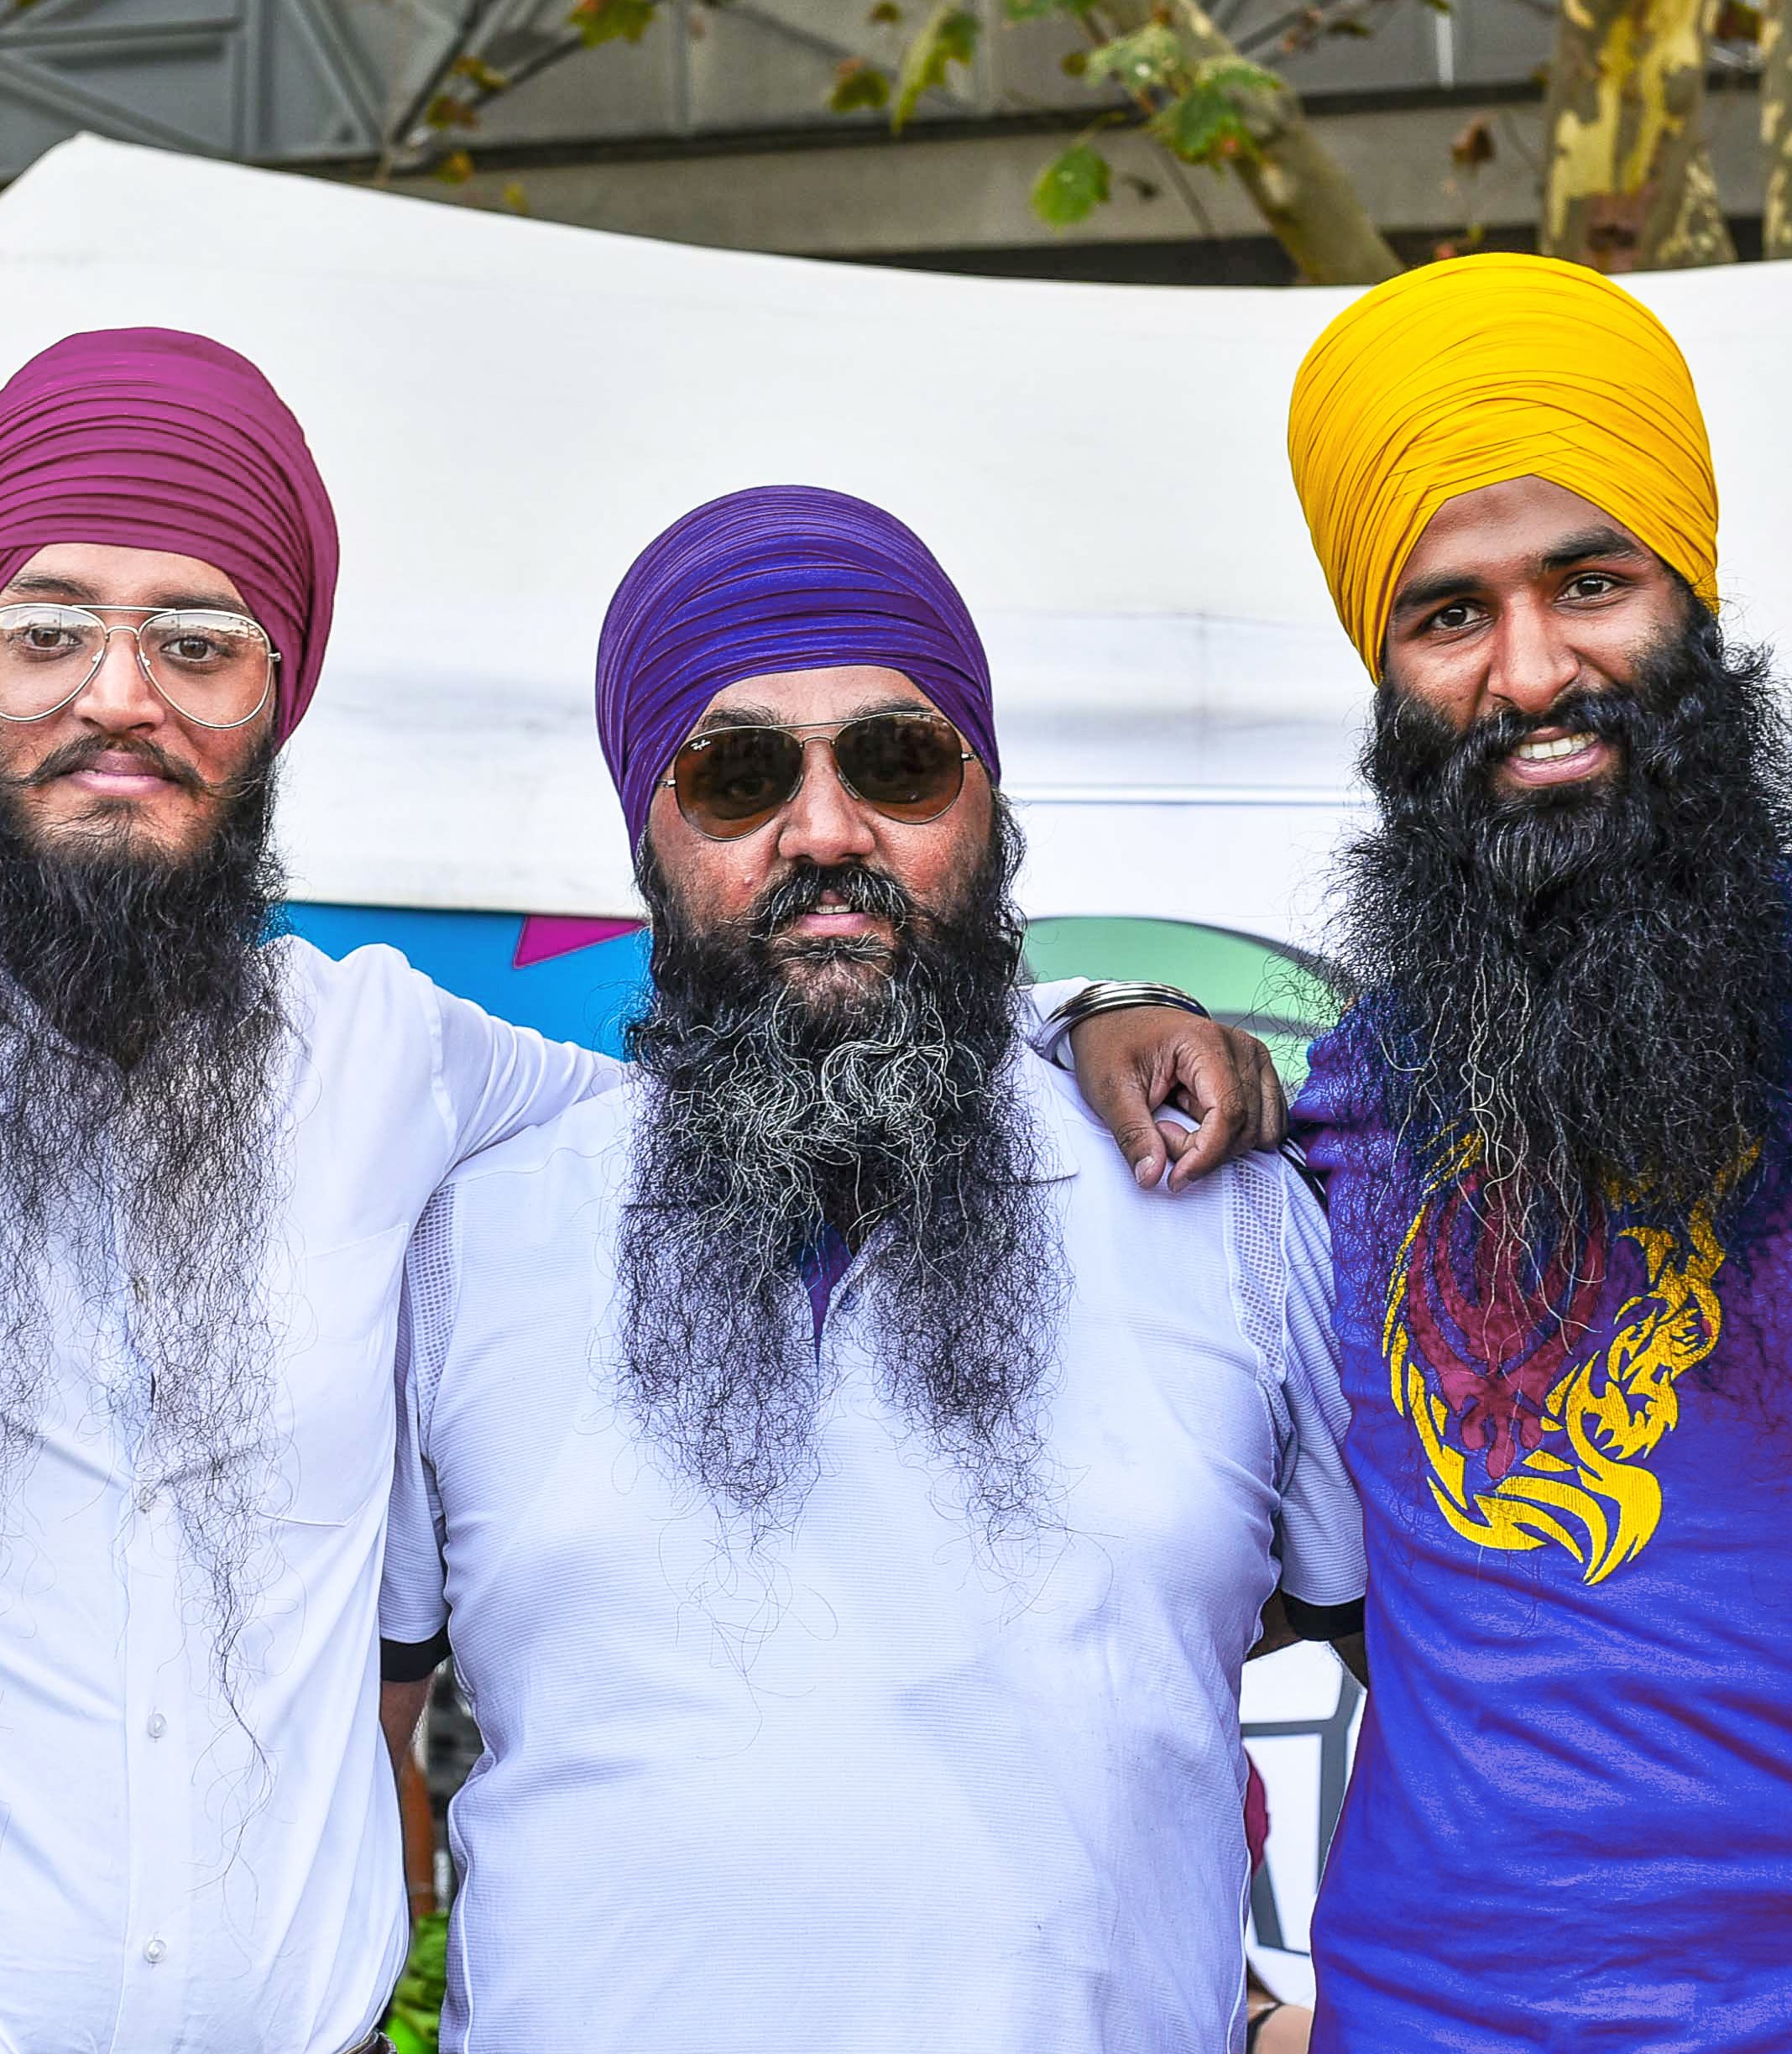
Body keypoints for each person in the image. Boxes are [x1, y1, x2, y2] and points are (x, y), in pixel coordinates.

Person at [0, 336, 1266, 2054]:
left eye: (198, 640)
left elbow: (787, 1045)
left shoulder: (404, 1075)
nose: (120, 694)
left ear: (278, 696)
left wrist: (1080, 1013)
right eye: (47, 632)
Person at [377, 484, 1366, 2051]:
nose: (827, 832)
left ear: (987, 808)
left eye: (897, 763)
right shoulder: (468, 1240)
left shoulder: (1225, 1216)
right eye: (738, 773)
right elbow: (348, 1734)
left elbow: (1452, 1673)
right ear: (646, 829)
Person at [1274, 254, 1792, 2049]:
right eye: (1447, 615)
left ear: (1690, 608)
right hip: (1422, 2014)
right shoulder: (1347, 1099)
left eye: (1588, 585)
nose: (1531, 673)